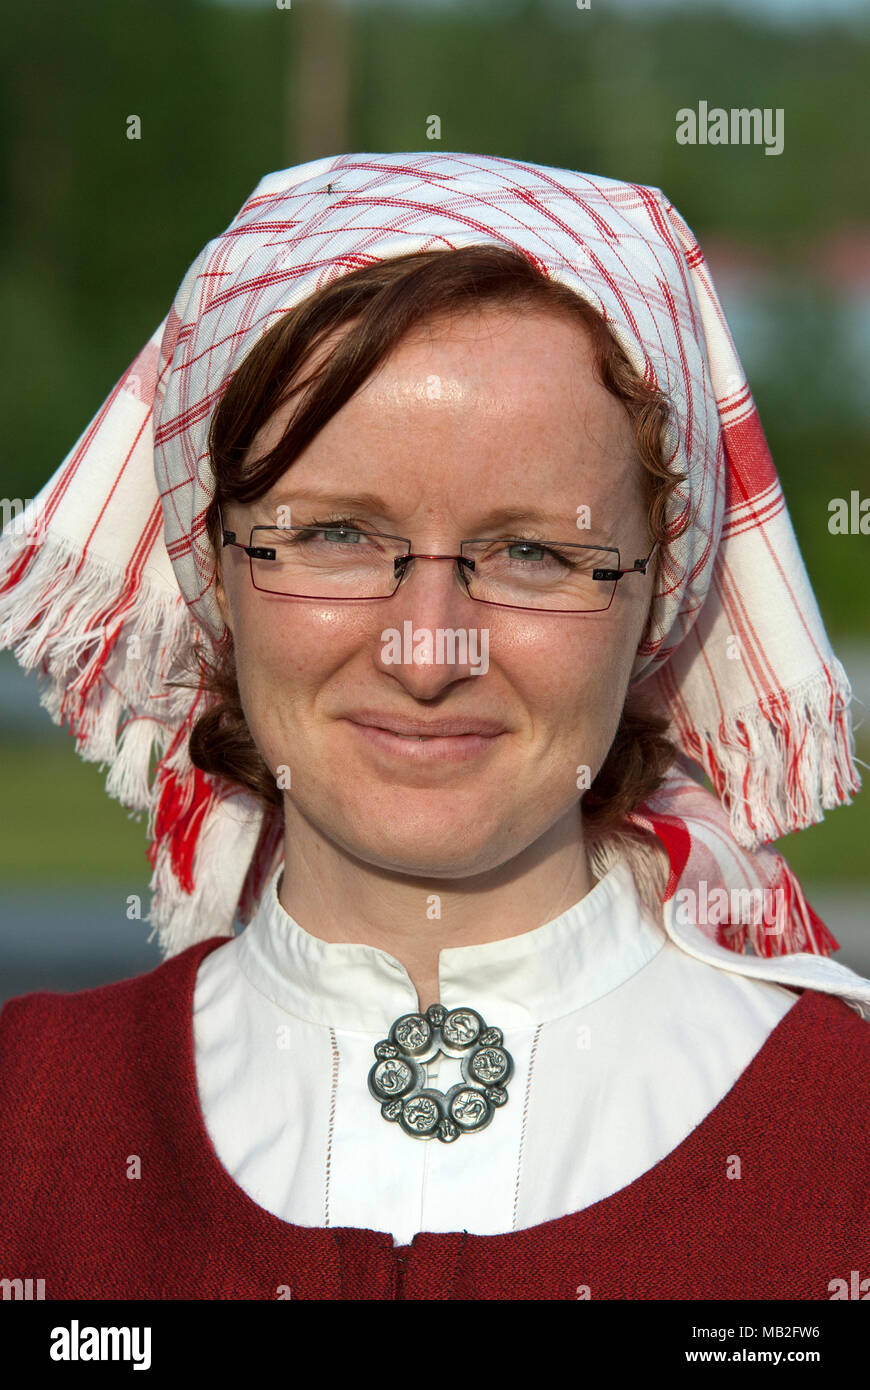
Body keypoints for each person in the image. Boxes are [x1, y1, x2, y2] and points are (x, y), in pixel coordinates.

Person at [0, 151, 867, 1302]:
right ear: (214, 565)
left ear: (660, 590)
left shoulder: (841, 1142)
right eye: (337, 536)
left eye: (532, 552)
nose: (426, 649)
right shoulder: (31, 1121)